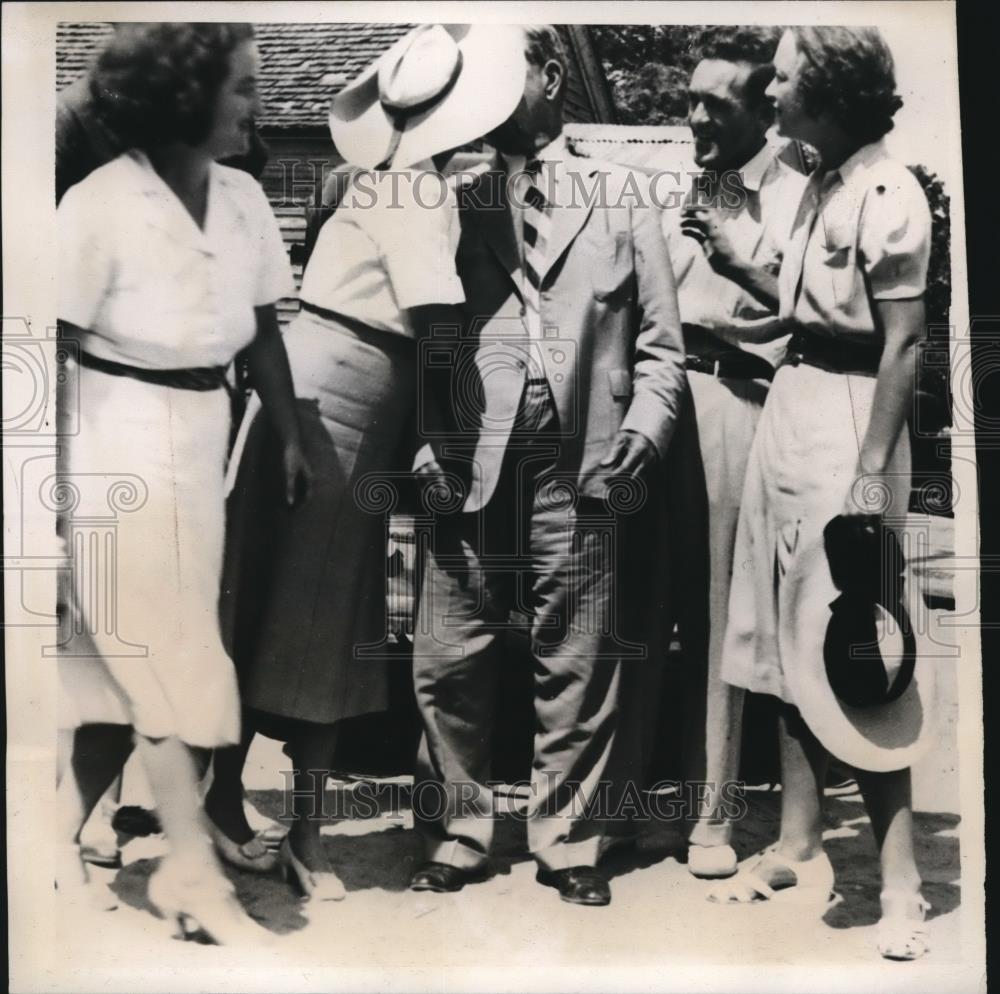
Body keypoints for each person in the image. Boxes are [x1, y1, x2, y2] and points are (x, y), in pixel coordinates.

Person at [209, 23, 529, 902]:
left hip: (340, 389)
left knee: (289, 608)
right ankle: (273, 826)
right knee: (306, 615)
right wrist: (452, 438)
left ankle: (256, 814)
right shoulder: (416, 197)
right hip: (344, 396)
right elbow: (435, 336)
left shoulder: (402, 187)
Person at [408, 24, 687, 907]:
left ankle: (569, 841)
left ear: (552, 76)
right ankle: (459, 830)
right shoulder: (454, 198)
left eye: (502, 79)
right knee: (448, 654)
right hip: (470, 454)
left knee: (576, 654)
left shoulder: (626, 194)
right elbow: (427, 330)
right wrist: (423, 440)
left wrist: (643, 432)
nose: (483, 103)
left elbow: (661, 345)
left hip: (585, 458)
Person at [56, 22, 308, 943]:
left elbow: (264, 325)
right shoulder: (98, 204)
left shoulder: (242, 199)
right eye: (241, 88)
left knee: (123, 670)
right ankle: (192, 874)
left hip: (206, 434)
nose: (258, 105)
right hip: (111, 432)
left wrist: (285, 435)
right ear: (183, 100)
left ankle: (52, 841)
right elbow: (38, 348)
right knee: (162, 651)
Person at [701, 27, 934, 961]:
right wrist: (735, 268)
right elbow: (804, 309)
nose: (775, 84)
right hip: (792, 403)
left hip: (849, 420)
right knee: (775, 632)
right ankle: (800, 844)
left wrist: (873, 471)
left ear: (830, 91)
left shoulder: (889, 192)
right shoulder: (818, 184)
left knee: (857, 637)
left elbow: (904, 344)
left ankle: (904, 881)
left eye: (789, 73)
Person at [661, 26, 807, 879]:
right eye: (690, 102)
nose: (696, 119)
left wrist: (737, 251)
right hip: (656, 399)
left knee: (720, 611)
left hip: (737, 396)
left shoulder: (795, 196)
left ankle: (709, 817)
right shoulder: (679, 187)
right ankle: (630, 807)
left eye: (715, 104)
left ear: (765, 109)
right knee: (640, 610)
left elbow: (805, 311)